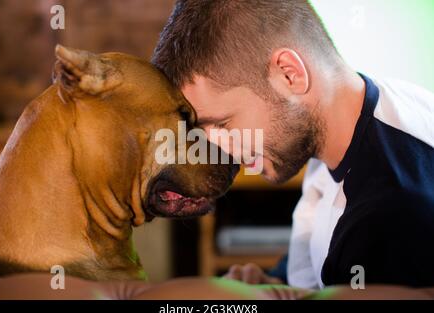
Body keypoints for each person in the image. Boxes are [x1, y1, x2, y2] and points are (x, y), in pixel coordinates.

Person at [152, 0, 434, 289]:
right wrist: (272, 284)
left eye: (223, 124)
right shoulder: (357, 115)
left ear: (290, 74)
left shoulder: (383, 220)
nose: (222, 149)